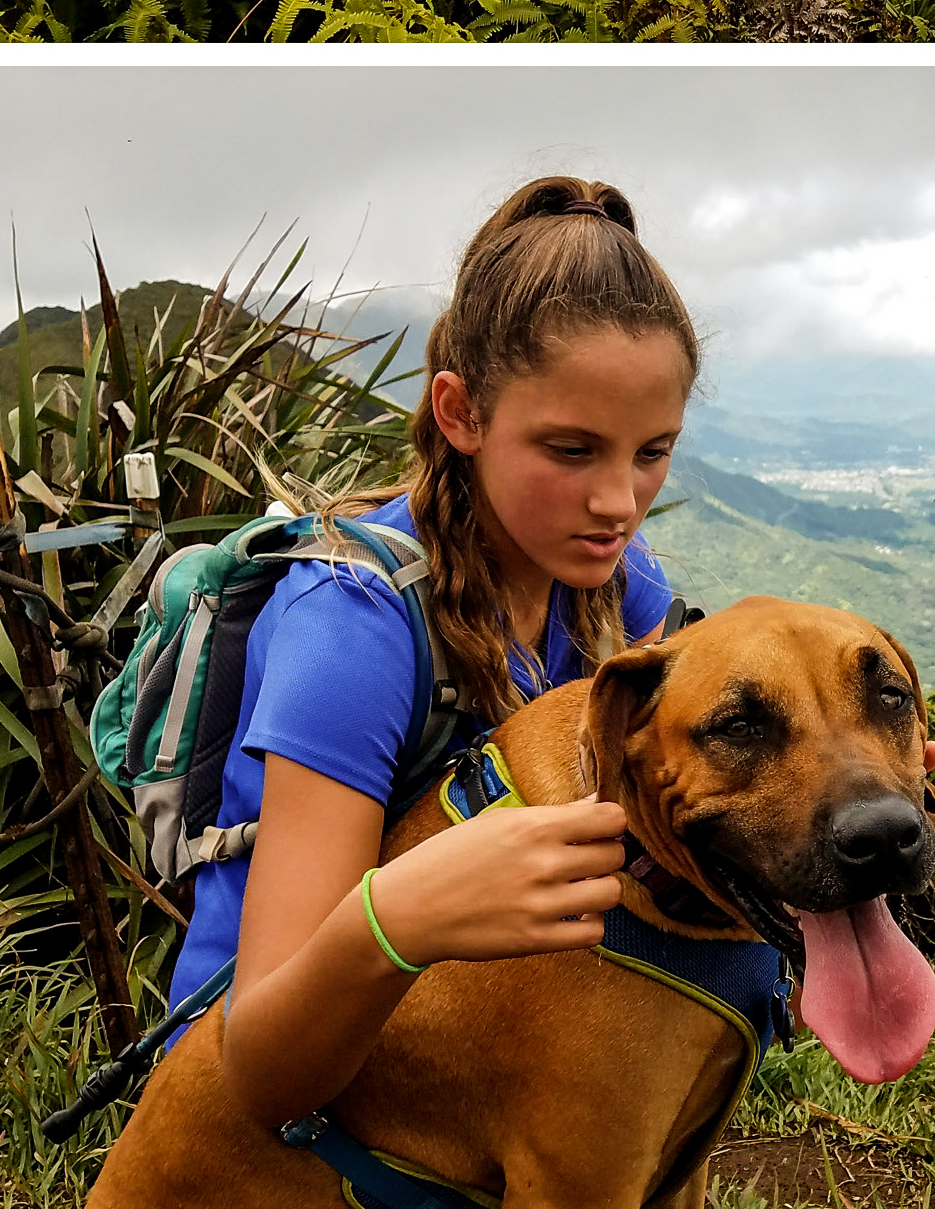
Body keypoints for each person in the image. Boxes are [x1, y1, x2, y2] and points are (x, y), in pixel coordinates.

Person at [176, 173, 691, 1134]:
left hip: (453, 1042)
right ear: (460, 413)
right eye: (572, 451)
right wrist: (397, 918)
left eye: (652, 451)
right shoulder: (353, 629)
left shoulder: (619, 589)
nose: (620, 501)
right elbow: (255, 1076)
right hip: (266, 1119)